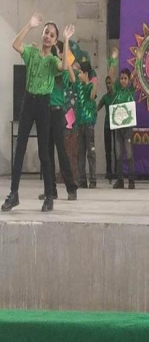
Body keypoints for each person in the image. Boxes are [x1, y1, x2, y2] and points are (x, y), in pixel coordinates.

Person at [2, 15, 72, 212]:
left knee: (44, 152)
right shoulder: (32, 52)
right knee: (19, 149)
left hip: (43, 104)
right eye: (46, 32)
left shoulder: (52, 60)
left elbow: (64, 67)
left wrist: (66, 40)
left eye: (52, 35)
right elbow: (15, 44)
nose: (48, 36)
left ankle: (49, 196)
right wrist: (30, 26)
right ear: (42, 34)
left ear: (55, 40)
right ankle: (13, 194)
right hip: (28, 101)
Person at [38, 40, 77, 201]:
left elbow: (73, 79)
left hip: (57, 112)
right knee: (46, 153)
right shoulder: (46, 68)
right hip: (44, 112)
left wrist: (66, 60)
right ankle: (50, 190)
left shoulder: (61, 72)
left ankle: (71, 188)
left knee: (61, 151)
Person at [74, 61, 98, 189]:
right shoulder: (78, 86)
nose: (78, 75)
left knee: (91, 152)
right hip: (79, 124)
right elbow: (72, 77)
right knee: (80, 153)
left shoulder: (90, 86)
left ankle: (93, 179)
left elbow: (92, 96)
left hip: (88, 124)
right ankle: (82, 180)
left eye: (80, 73)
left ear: (86, 74)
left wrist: (94, 80)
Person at [112, 66, 136, 189]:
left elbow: (135, 76)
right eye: (121, 78)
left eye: (125, 78)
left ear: (129, 80)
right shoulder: (117, 89)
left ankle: (131, 181)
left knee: (129, 154)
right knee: (118, 154)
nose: (122, 81)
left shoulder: (131, 90)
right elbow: (111, 77)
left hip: (128, 128)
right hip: (118, 127)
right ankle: (120, 180)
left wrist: (138, 62)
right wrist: (113, 61)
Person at [97, 48, 119, 181]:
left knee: (117, 150)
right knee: (108, 149)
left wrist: (113, 60)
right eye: (107, 84)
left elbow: (111, 74)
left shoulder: (116, 94)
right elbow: (97, 108)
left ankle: (117, 171)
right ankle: (108, 171)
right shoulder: (105, 98)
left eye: (110, 83)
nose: (108, 85)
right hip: (107, 125)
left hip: (116, 125)